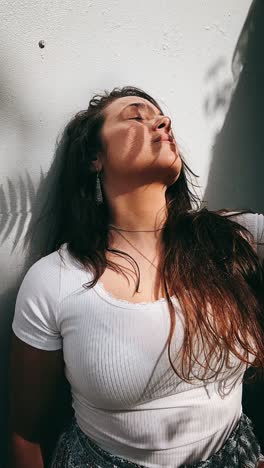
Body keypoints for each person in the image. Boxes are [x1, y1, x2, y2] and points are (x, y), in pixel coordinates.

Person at [7, 86, 264, 468]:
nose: (163, 122)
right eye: (136, 117)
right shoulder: (55, 281)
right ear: (95, 158)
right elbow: (25, 435)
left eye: (160, 116)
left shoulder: (236, 239)